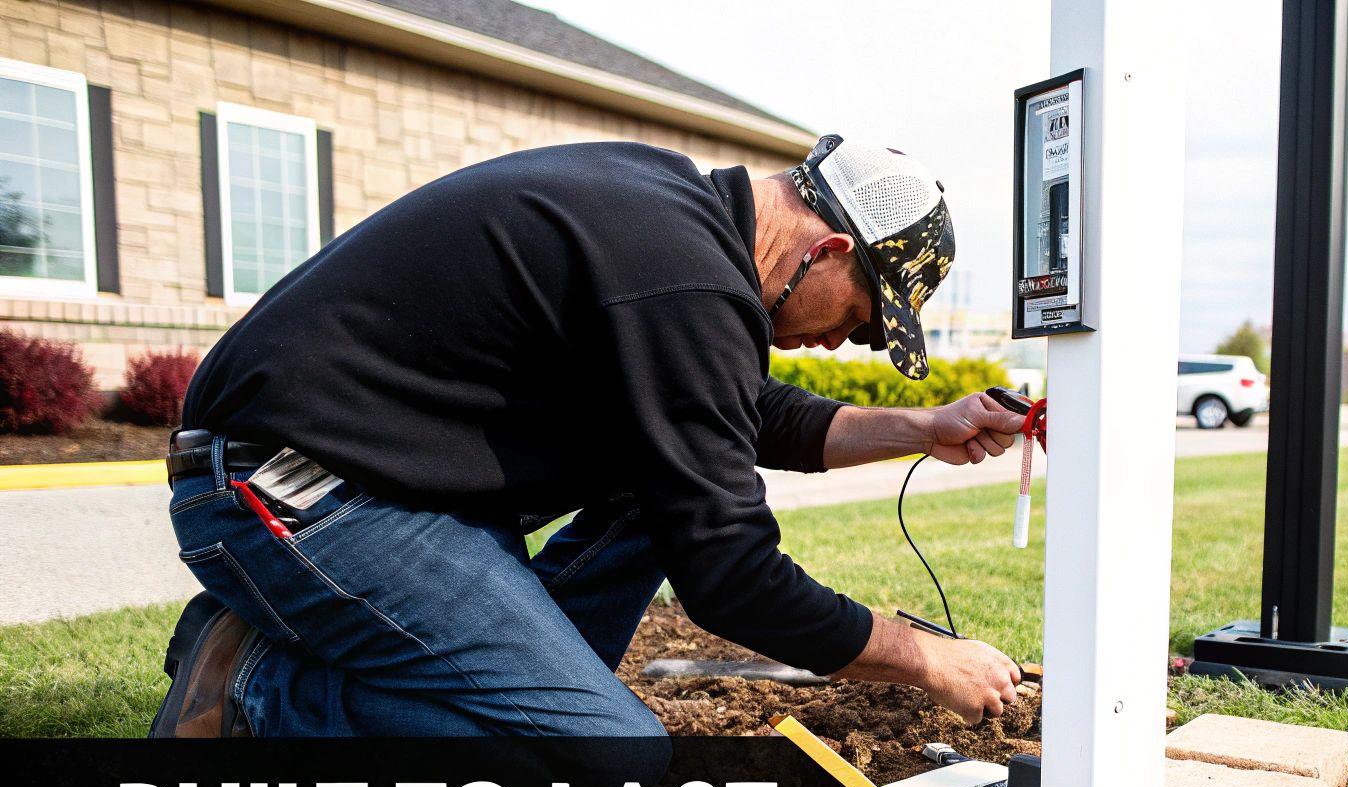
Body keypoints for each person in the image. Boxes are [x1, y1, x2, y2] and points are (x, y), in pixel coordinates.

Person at [151, 134, 1028, 741]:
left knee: (659, 489)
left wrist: (927, 427)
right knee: (611, 763)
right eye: (867, 318)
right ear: (833, 246)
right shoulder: (683, 281)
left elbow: (742, 415)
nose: (848, 341)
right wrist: (925, 659)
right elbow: (733, 581)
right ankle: (256, 687)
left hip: (374, 482)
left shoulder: (670, 215)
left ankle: (534, 683)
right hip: (295, 491)